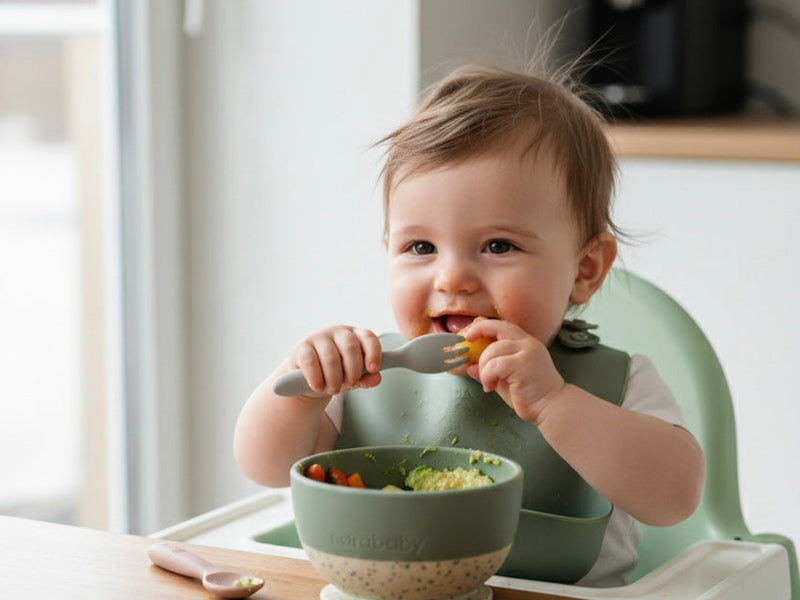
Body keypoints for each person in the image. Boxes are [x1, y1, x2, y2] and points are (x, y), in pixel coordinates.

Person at [233, 63, 705, 587]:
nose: (452, 276)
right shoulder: (369, 377)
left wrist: (553, 402)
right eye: (420, 247)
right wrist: (303, 390)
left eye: (498, 246)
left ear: (584, 269)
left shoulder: (617, 384)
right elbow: (266, 466)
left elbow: (675, 497)